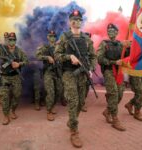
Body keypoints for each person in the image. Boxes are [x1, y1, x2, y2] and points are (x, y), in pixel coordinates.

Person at [54, 10, 96, 148]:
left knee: (80, 102)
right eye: (73, 19)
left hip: (83, 73)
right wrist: (69, 57)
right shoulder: (65, 37)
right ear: (69, 21)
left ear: (81, 22)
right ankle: (74, 131)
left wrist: (90, 68)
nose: (76, 22)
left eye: (79, 19)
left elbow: (93, 56)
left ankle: (72, 121)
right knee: (73, 100)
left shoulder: (86, 39)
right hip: (69, 73)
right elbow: (57, 54)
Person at [97, 23, 126, 131]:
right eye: (109, 31)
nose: (110, 33)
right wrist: (113, 62)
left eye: (113, 31)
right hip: (109, 70)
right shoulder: (104, 44)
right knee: (113, 93)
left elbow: (127, 55)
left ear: (117, 32)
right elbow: (99, 58)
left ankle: (107, 111)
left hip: (119, 72)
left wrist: (128, 46)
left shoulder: (120, 44)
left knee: (120, 93)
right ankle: (115, 119)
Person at [0, 32, 28, 125]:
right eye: (10, 40)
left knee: (17, 95)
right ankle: (6, 115)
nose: (11, 42)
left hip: (16, 76)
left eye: (13, 40)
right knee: (4, 97)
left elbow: (26, 61)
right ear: (7, 40)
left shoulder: (19, 51)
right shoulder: (2, 49)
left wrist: (19, 64)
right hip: (4, 76)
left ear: (16, 40)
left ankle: (13, 110)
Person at [36, 30, 63, 121]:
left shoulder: (59, 46)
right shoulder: (45, 47)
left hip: (58, 72)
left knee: (59, 91)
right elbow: (37, 56)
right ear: (48, 37)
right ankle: (49, 111)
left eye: (54, 36)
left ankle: (53, 105)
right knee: (50, 92)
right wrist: (47, 57)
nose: (52, 38)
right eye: (50, 36)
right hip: (48, 72)